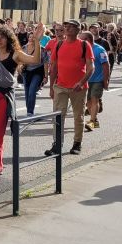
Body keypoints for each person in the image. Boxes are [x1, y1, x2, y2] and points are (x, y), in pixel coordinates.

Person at [0, 25, 44, 183]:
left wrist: (36, 41)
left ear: (8, 39)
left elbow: (35, 60)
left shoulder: (15, 55)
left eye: (2, 37)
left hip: (4, 96)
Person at [46, 20, 95, 157]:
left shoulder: (84, 45)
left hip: (78, 88)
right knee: (57, 116)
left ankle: (77, 143)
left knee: (78, 116)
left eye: (71, 27)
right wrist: (51, 87)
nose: (67, 29)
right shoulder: (59, 44)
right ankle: (57, 145)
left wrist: (81, 82)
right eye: (66, 26)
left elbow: (91, 68)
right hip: (60, 86)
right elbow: (54, 67)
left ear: (78, 30)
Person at [79, 32, 111, 132]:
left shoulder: (99, 50)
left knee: (94, 99)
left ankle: (92, 122)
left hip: (98, 79)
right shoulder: (81, 49)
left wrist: (106, 81)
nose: (80, 41)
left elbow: (106, 66)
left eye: (82, 39)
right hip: (86, 79)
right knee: (88, 102)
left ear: (88, 40)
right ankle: (95, 118)